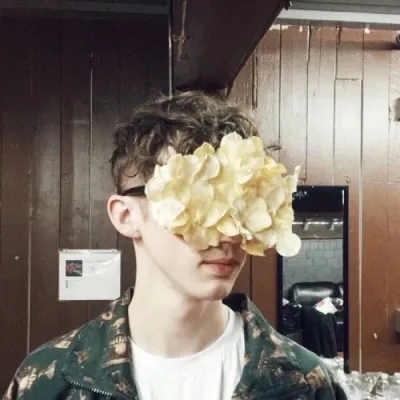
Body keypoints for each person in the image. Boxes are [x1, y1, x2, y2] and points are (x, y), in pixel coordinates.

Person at [3, 91, 347, 400]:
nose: (229, 235)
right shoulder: (47, 383)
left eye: (244, 205)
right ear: (127, 215)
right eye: (201, 203)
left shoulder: (307, 385)